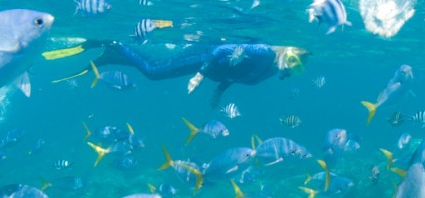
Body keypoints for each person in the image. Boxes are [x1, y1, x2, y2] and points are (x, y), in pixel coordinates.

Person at [43, 40, 310, 107]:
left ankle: (114, 56)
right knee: (153, 71)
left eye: (298, 65)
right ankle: (116, 45)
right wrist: (201, 75)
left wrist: (217, 92)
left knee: (153, 72)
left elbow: (236, 75)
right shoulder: (264, 52)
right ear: (286, 50)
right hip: (204, 57)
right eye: (293, 58)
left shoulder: (270, 71)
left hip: (209, 69)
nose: (292, 65)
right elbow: (222, 51)